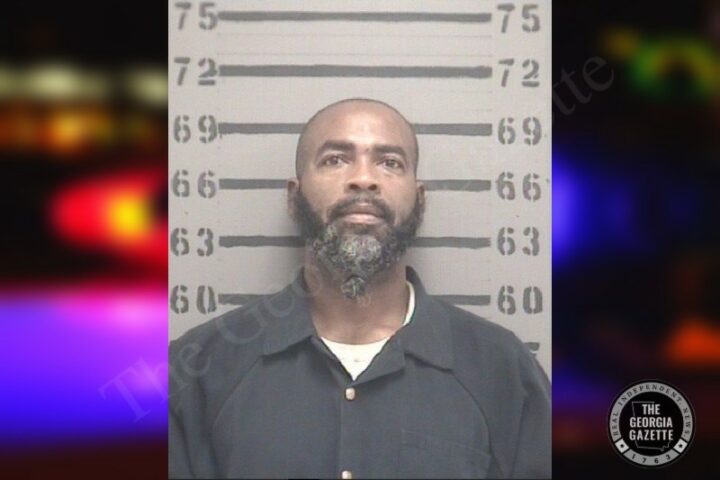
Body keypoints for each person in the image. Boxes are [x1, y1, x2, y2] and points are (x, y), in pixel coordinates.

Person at [169, 98, 551, 479]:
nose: (364, 178)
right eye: (335, 159)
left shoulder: (504, 371)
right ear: (293, 198)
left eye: (390, 162)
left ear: (419, 200)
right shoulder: (200, 370)